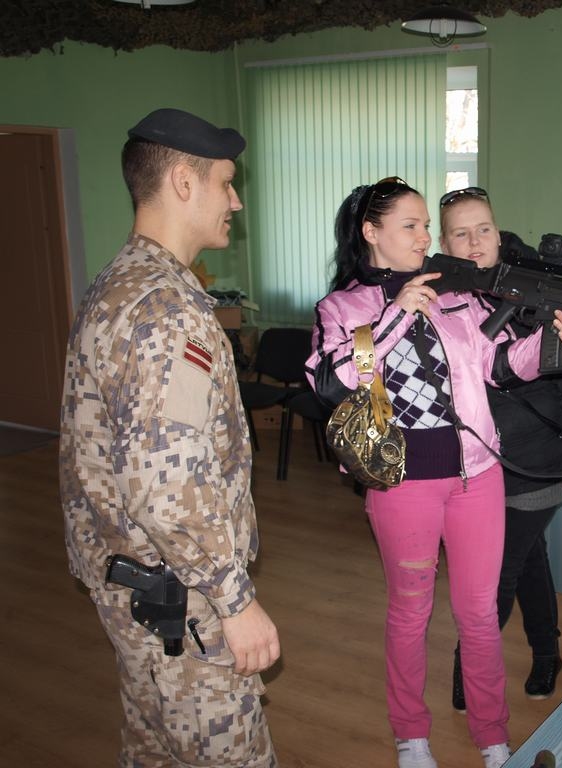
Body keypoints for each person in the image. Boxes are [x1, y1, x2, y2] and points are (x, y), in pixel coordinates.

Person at [306, 178, 562, 768]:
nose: (424, 237)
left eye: (425, 226)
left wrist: (555, 343)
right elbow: (334, 381)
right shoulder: (343, 308)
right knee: (410, 615)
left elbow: (499, 365)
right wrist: (394, 316)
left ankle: (492, 735)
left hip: (477, 477)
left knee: (480, 616)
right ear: (371, 232)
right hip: (402, 484)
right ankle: (411, 736)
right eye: (410, 225)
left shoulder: (454, 294)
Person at [59, 108, 280, 767]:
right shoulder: (164, 309)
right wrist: (235, 602)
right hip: (180, 594)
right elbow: (166, 488)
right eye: (226, 183)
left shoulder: (119, 281)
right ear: (184, 182)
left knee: (154, 748)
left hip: (135, 587)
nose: (235, 201)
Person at [438, 187, 562, 713]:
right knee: (529, 559)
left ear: (498, 231)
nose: (474, 242)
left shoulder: (541, 293)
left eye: (483, 229)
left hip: (536, 461)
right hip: (475, 463)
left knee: (498, 575)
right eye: (460, 233)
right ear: (442, 243)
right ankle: (548, 654)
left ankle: (471, 669)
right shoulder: (438, 295)